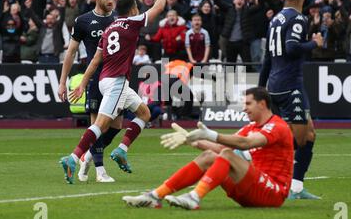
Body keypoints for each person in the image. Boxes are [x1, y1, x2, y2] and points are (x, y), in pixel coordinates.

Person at [61, 0, 171, 184]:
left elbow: (94, 60)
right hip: (117, 81)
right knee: (102, 124)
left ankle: (121, 149)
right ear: (132, 11)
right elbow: (158, 9)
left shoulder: (109, 28)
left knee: (144, 113)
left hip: (104, 79)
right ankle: (73, 157)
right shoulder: (132, 22)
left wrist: (83, 81)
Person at [122, 87, 294, 209]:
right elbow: (220, 147)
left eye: (248, 104)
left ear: (262, 104)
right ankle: (154, 196)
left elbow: (246, 144)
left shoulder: (277, 126)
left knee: (227, 153)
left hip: (273, 193)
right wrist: (191, 140)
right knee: (209, 155)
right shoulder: (252, 126)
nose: (244, 108)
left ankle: (194, 197)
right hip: (251, 190)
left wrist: (209, 134)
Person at [258, 0, 324, 200]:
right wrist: (315, 43)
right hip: (290, 86)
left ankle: (296, 187)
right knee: (296, 140)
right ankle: (252, 157)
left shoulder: (275, 19)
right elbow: (293, 48)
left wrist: (260, 88)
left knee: (310, 134)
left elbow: (267, 57)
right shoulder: (298, 19)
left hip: (276, 84)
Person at [58, 0, 120, 183]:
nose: (111, 0)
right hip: (95, 79)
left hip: (116, 79)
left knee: (116, 126)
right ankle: (100, 171)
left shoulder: (118, 20)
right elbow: (71, 52)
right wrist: (62, 82)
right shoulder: (83, 20)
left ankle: (88, 157)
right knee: (96, 125)